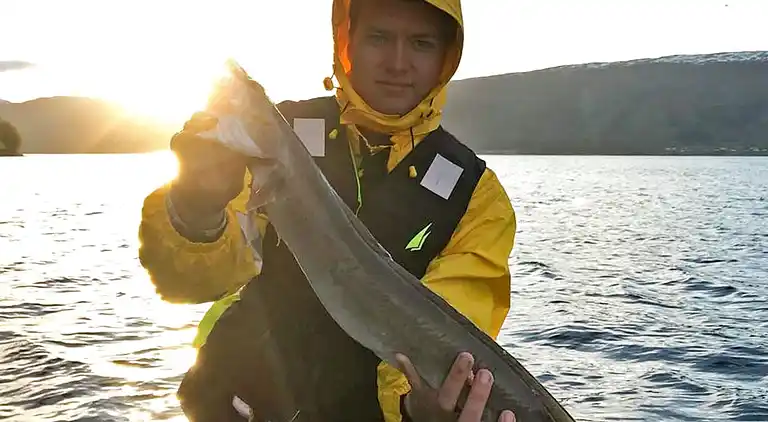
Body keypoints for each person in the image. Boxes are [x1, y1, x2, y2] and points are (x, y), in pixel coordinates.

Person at [137, 0, 518, 421]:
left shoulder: (477, 198)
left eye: (421, 43)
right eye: (378, 37)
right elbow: (184, 282)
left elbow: (451, 337)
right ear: (346, 42)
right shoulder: (271, 142)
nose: (397, 62)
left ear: (446, 56)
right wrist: (196, 207)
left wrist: (415, 407)